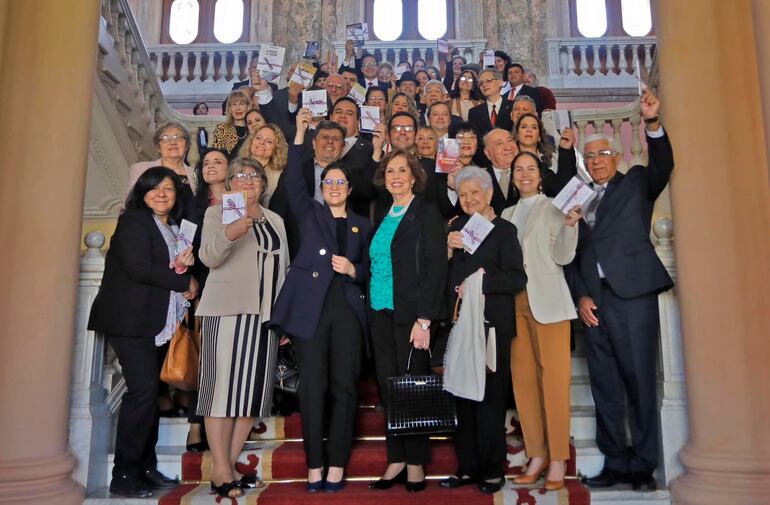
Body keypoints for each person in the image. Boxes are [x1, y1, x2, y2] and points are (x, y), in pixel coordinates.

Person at [568, 91, 673, 492]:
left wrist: (651, 124)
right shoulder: (575, 199)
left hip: (632, 297)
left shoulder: (635, 183)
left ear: (615, 157)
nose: (595, 161)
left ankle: (643, 466)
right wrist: (581, 296)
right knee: (605, 385)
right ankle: (614, 461)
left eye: (601, 155)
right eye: (589, 157)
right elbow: (572, 256)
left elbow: (663, 163)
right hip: (595, 302)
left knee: (639, 382)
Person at [270, 108, 371, 492]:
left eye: (341, 181)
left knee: (345, 388)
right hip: (311, 311)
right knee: (312, 388)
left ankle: (336, 467)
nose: (334, 186)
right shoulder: (308, 214)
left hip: (346, 310)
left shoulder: (364, 223)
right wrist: (298, 135)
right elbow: (294, 182)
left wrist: (353, 271)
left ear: (348, 187)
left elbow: (371, 269)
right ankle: (315, 465)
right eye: (328, 181)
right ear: (323, 185)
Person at [88, 168, 196, 498]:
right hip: (130, 320)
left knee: (150, 397)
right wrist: (183, 281)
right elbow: (139, 267)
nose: (162, 194)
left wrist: (186, 271)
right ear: (142, 192)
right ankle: (124, 475)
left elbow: (168, 266)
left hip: (155, 321)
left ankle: (146, 468)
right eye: (154, 188)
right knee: (143, 393)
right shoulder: (134, 220)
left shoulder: (172, 227)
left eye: (169, 189)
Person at [196, 157, 289, 499]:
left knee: (250, 397)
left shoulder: (276, 220)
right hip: (227, 314)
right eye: (240, 175)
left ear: (264, 185)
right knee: (221, 393)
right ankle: (221, 469)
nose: (248, 180)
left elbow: (284, 269)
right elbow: (208, 257)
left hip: (265, 319)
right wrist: (232, 230)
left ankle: (229, 465)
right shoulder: (217, 213)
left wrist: (284, 317)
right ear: (231, 183)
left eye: (254, 176)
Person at [442, 166, 527, 494]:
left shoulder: (504, 230)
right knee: (462, 397)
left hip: (492, 326)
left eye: (475, 193)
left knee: (490, 400)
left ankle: (492, 469)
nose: (469, 200)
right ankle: (468, 467)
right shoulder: (456, 228)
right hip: (461, 326)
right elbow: (445, 279)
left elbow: (518, 278)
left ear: (489, 195)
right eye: (463, 195)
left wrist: (481, 281)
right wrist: (449, 250)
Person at [501, 150, 581, 491]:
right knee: (524, 384)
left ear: (540, 174)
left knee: (554, 382)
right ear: (512, 176)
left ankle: (558, 458)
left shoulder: (555, 207)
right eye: (518, 169)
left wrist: (569, 227)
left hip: (548, 303)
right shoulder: (505, 214)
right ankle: (536, 455)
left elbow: (563, 256)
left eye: (530, 168)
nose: (524, 174)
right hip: (514, 304)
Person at [368, 149, 447, 493]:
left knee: (412, 386)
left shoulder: (427, 213)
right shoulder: (379, 213)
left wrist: (425, 319)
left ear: (414, 176)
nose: (396, 176)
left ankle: (415, 463)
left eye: (402, 171)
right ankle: (396, 458)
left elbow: (435, 268)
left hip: (411, 314)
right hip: (379, 312)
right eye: (389, 171)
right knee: (389, 387)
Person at [185, 147, 231, 453]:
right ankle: (195, 424)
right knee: (204, 361)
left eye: (218, 162)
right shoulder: (193, 204)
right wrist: (190, 283)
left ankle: (230, 421)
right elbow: (184, 244)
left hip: (234, 285)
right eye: (207, 163)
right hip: (202, 288)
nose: (211, 166)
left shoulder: (239, 199)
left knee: (229, 360)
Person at [128, 122, 196, 193]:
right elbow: (132, 202)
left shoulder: (196, 175)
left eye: (178, 137)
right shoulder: (140, 169)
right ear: (158, 147)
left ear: (187, 145)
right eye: (165, 138)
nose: (172, 142)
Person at [238, 123, 289, 206]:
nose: (261, 142)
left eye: (269, 141)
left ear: (276, 148)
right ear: (251, 141)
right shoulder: (235, 168)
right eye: (258, 138)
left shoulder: (281, 176)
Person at [468, 68, 513, 136]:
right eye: (481, 83)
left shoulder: (513, 106)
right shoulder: (474, 112)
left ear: (499, 82)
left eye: (488, 81)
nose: (484, 85)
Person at [211, 90, 250, 158]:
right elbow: (217, 154)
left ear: (247, 107)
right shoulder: (222, 128)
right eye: (234, 104)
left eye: (241, 104)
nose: (238, 108)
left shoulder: (252, 129)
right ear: (229, 109)